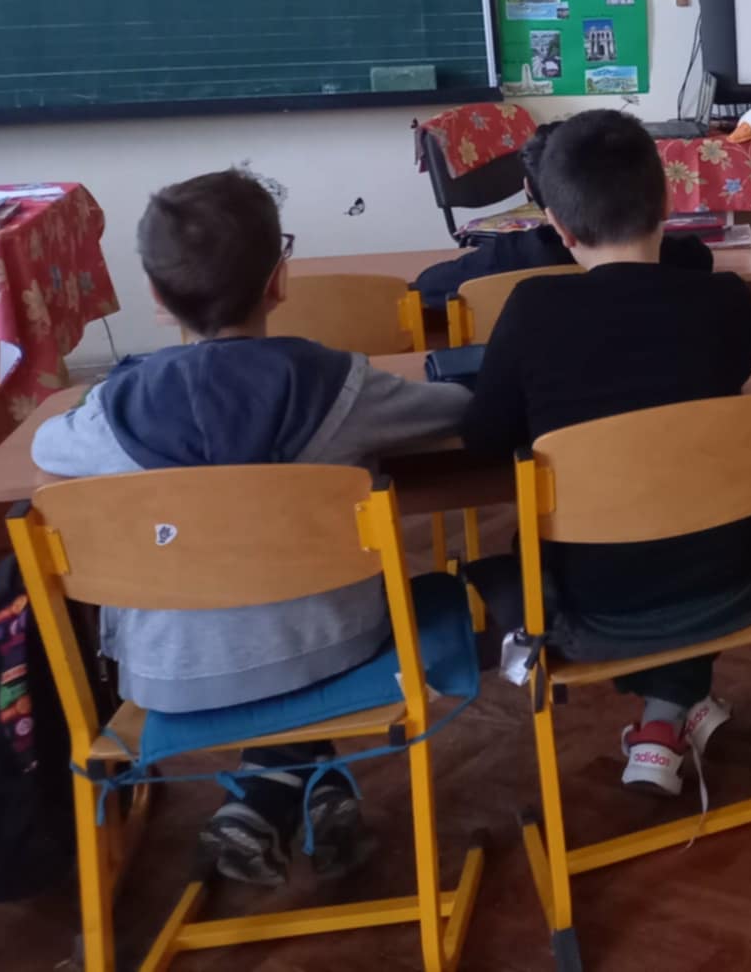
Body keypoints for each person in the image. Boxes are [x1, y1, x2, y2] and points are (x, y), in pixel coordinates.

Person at [31, 170, 470, 887]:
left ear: (155, 295)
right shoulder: (340, 386)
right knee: (302, 618)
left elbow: (48, 449)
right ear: (279, 280)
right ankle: (301, 782)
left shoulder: (116, 414)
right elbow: (451, 413)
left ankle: (275, 787)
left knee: (259, 618)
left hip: (170, 677)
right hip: (334, 647)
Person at [460, 110, 751, 797]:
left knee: (574, 549)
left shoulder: (531, 311)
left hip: (591, 605)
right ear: (668, 205)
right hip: (736, 579)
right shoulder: (725, 303)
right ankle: (674, 710)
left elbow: (483, 441)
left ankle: (667, 715)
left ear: (560, 230)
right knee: (681, 511)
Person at [414, 121, 713, 309]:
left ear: (529, 190)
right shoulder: (678, 259)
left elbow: (427, 286)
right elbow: (701, 257)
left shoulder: (506, 260)